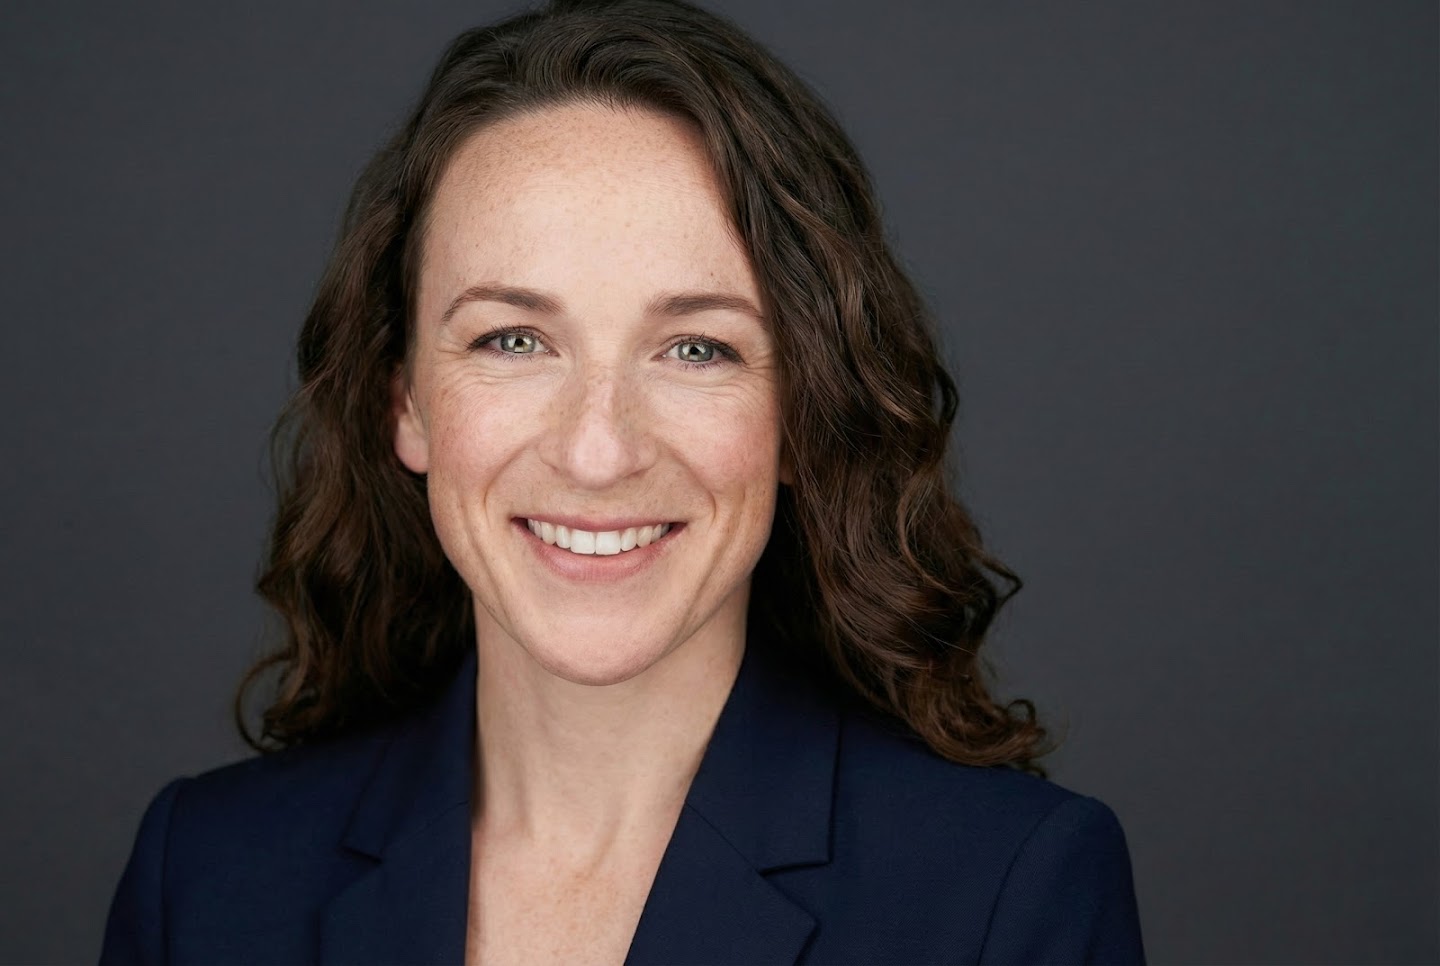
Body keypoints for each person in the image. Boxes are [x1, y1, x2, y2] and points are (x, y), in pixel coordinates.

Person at [100, 0, 1145, 962]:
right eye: (513, 338)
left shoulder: (1008, 893)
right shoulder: (201, 880)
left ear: (804, 413)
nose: (598, 451)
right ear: (405, 402)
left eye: (697, 349)